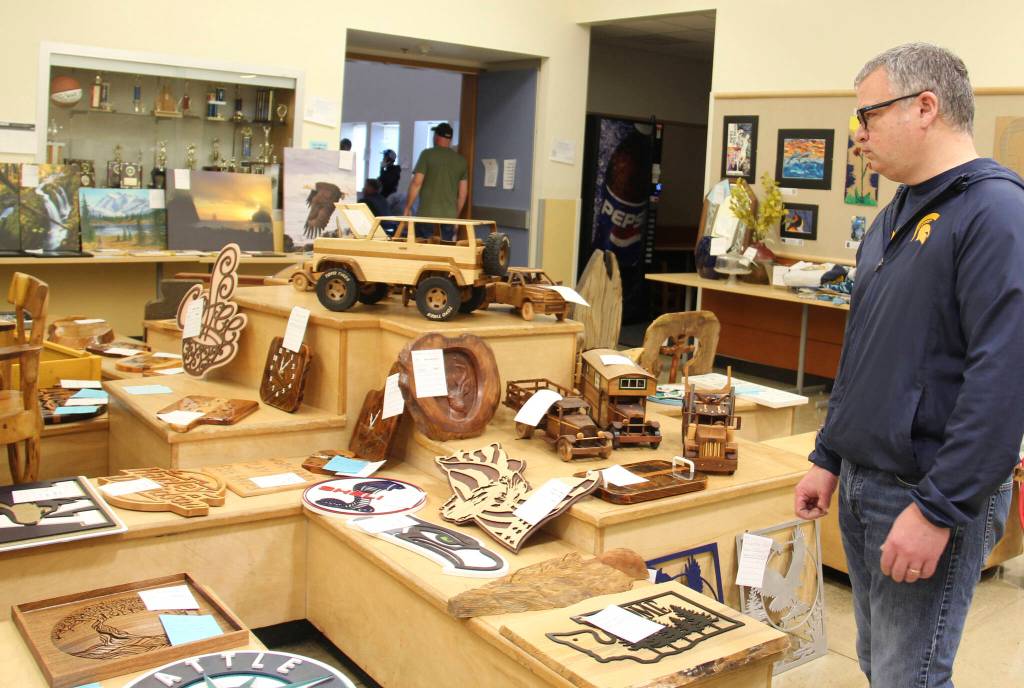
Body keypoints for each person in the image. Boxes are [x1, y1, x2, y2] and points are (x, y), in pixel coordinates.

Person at [794, 43, 1024, 687]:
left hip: (927, 491)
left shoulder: (996, 213)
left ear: (926, 107)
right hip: (866, 480)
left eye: (867, 117)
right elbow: (866, 350)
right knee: (882, 666)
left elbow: (1003, 380)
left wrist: (940, 509)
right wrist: (829, 454)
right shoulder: (891, 216)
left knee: (909, 677)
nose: (857, 137)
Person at [403, 122, 467, 239]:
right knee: (444, 253)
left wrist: (407, 208)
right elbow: (462, 194)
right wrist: (456, 217)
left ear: (436, 137)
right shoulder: (461, 161)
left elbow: (416, 183)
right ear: (450, 139)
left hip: (427, 216)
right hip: (449, 218)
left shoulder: (427, 155)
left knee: (425, 254)